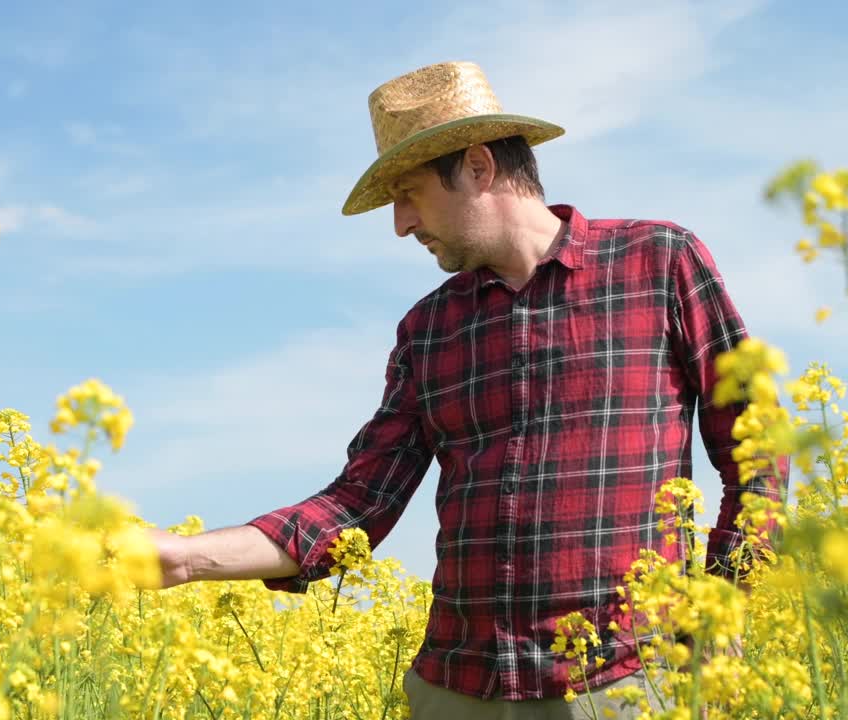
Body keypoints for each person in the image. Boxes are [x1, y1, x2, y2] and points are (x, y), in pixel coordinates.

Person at [147, 60, 788, 719]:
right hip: (455, 690)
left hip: (623, 687)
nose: (400, 224)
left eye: (410, 193)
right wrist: (188, 558)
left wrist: (724, 614)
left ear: (479, 168)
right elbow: (356, 506)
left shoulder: (659, 262)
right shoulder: (428, 328)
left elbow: (759, 452)